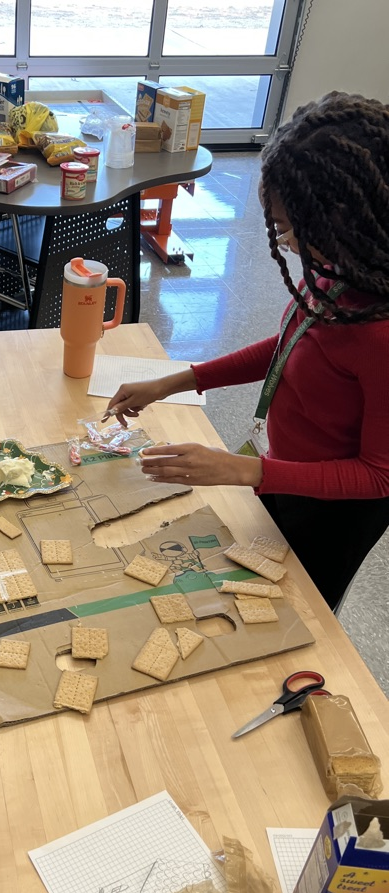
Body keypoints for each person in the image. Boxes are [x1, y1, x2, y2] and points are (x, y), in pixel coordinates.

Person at [107, 92, 389, 613]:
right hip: (283, 467)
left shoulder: (380, 332)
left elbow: (378, 475)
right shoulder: (339, 270)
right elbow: (292, 347)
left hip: (334, 507)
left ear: (343, 218)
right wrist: (172, 381)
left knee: (297, 610)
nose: (281, 242)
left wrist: (247, 472)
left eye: (287, 228)